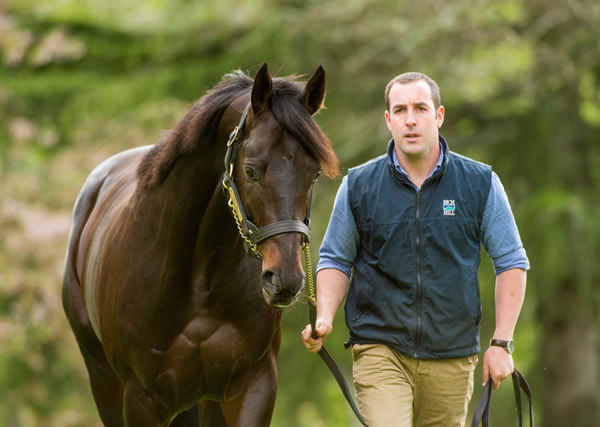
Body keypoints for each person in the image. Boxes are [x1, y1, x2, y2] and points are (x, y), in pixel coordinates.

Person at [301, 72, 530, 427]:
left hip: (453, 358)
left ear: (438, 116)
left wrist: (502, 343)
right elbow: (335, 258)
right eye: (401, 109)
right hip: (381, 350)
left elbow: (511, 262)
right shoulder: (358, 185)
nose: (411, 119)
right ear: (388, 120)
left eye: (420, 108)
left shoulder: (480, 182)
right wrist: (325, 317)